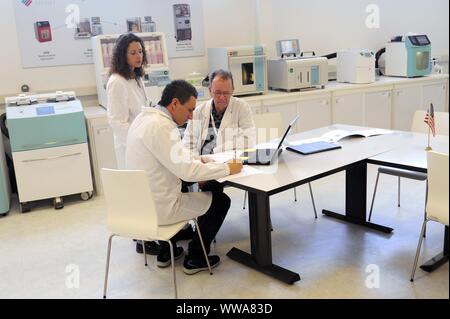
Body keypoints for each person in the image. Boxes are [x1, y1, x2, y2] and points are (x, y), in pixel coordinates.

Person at [126, 80, 243, 274]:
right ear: (174, 104)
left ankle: (167, 250)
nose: (190, 117)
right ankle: (196, 258)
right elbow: (188, 173)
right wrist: (227, 169)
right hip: (160, 210)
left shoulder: (144, 119)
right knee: (220, 201)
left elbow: (171, 159)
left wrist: (198, 160)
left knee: (184, 185)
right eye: (189, 110)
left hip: (141, 206)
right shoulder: (162, 127)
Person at [106, 33, 159, 255]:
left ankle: (150, 233)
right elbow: (116, 121)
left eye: (140, 52)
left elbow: (141, 108)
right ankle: (142, 241)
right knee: (138, 191)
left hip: (141, 143)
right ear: (122, 55)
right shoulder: (117, 82)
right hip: (129, 145)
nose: (138, 56)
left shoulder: (135, 78)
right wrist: (139, 135)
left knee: (147, 189)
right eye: (133, 52)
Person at [182, 69, 256, 156]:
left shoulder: (241, 108)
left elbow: (249, 140)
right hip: (203, 164)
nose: (221, 97)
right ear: (210, 90)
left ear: (233, 90)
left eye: (226, 93)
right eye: (217, 93)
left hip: (230, 162)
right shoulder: (199, 112)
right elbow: (188, 144)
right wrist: (198, 161)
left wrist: (217, 151)